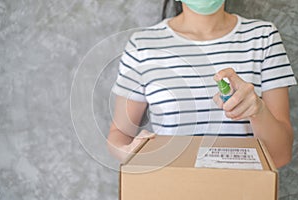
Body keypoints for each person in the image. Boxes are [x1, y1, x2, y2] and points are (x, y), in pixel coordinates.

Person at [107, 0, 297, 168]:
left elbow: (281, 155)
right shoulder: (142, 45)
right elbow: (119, 135)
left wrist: (258, 111)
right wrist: (130, 153)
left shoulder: (264, 37)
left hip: (244, 191)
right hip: (168, 188)